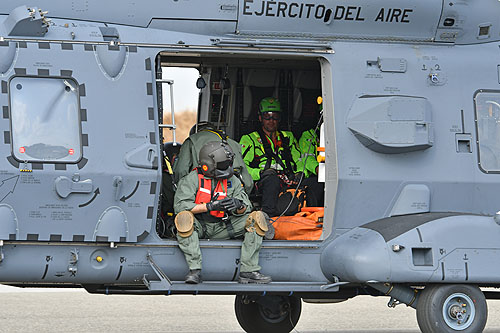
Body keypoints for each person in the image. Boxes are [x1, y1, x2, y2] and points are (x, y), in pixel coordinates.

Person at [173, 141, 272, 284]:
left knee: (257, 218)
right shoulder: (192, 180)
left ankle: (248, 271)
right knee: (183, 219)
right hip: (201, 226)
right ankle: (195, 270)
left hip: (225, 226)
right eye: (223, 166)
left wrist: (238, 205)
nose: (227, 169)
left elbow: (246, 206)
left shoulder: (232, 180)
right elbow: (181, 206)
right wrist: (209, 207)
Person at [239, 97, 305, 216]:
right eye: (267, 117)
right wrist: (260, 173)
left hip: (287, 177)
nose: (271, 120)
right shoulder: (249, 139)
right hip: (264, 180)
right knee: (272, 180)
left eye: (275, 117)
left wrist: (299, 173)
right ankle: (267, 217)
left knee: (313, 183)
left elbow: (299, 159)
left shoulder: (288, 137)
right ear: (260, 118)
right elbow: (241, 167)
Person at [173, 123, 254, 194]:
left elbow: (181, 170)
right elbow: (247, 181)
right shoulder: (233, 143)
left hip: (202, 192)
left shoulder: (191, 141)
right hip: (233, 190)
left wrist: (181, 191)